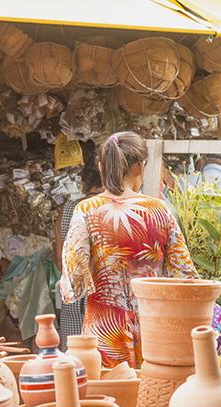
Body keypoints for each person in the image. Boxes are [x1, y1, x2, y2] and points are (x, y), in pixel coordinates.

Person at [59, 131, 198, 368]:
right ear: (139, 167)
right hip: (154, 326)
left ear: (101, 167)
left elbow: (73, 282)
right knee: (152, 393)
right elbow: (185, 277)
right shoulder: (160, 210)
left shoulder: (86, 210)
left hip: (104, 329)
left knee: (109, 395)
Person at [53, 142, 103, 347]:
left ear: (83, 181)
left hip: (73, 295)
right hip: (103, 299)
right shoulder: (110, 208)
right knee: (103, 363)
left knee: (73, 360)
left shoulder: (67, 210)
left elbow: (59, 258)